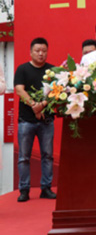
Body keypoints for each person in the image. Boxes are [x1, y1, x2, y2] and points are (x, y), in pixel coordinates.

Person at [14, 38, 56, 202]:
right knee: (24, 157)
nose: (41, 53)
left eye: (44, 50)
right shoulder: (22, 69)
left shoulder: (52, 70)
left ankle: (46, 188)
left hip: (47, 121)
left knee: (48, 155)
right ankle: (24, 190)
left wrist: (42, 105)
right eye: (37, 50)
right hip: (26, 121)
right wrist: (33, 105)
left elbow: (56, 92)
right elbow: (19, 90)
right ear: (31, 52)